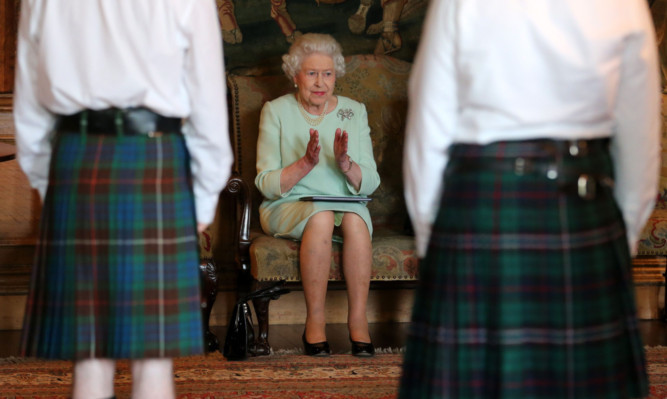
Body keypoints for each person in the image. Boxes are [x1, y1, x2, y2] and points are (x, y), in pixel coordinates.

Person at [400, 0, 660, 398]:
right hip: (584, 208)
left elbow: (429, 125)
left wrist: (430, 240)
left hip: (478, 207)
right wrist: (617, 244)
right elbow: (640, 138)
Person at [13, 1, 232, 398]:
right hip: (154, 160)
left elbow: (29, 103)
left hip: (75, 164)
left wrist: (52, 185)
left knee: (89, 354)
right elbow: (207, 101)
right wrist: (202, 198)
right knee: (153, 356)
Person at [255, 33, 380, 357]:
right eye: (311, 73)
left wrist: (344, 163)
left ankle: (358, 322)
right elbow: (265, 182)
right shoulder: (276, 111)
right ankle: (315, 324)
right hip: (290, 203)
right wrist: (306, 163)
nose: (320, 82)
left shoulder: (355, 111)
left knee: (354, 220)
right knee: (321, 217)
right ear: (295, 75)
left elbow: (370, 182)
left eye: (327, 73)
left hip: (346, 202)